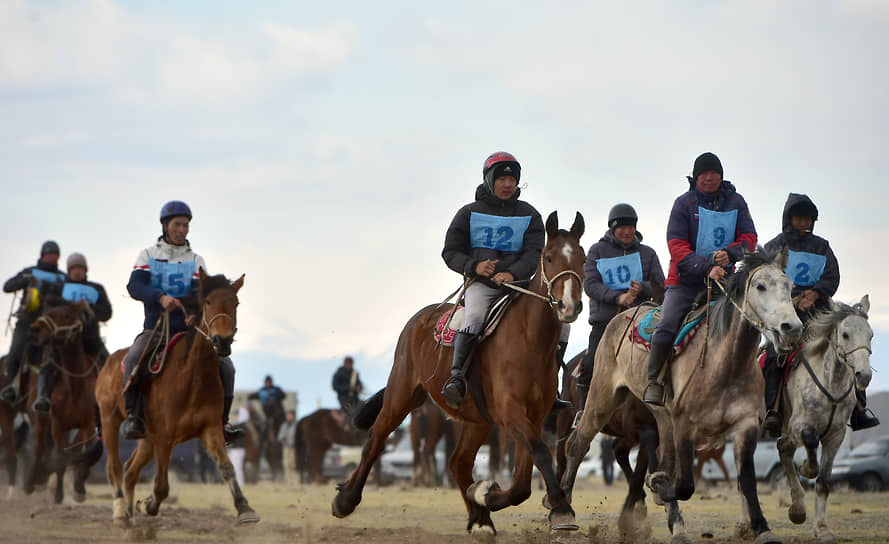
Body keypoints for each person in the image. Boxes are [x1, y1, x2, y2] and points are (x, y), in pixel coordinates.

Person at [120, 201, 243, 445]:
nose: (182, 229)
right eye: (177, 224)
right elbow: (134, 286)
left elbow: (202, 293)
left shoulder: (196, 260)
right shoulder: (148, 255)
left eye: (186, 225)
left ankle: (222, 422)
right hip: (157, 326)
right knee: (133, 358)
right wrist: (160, 297)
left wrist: (190, 310)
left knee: (227, 367)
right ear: (165, 226)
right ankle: (134, 417)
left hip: (190, 327)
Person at [643, 152, 757, 405]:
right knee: (667, 325)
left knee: (749, 320)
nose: (709, 178)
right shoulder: (683, 204)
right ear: (696, 177)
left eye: (713, 173)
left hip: (725, 280)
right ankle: (655, 381)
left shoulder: (736, 203)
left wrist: (731, 253)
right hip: (685, 282)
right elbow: (676, 245)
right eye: (704, 174)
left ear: (721, 176)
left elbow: (749, 237)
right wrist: (705, 268)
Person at [762, 193, 878, 433]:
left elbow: (832, 276)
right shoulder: (775, 246)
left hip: (821, 312)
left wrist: (815, 293)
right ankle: (772, 410)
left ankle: (858, 409)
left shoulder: (822, 246)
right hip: (786, 313)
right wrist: (793, 301)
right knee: (775, 354)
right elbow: (768, 280)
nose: (804, 223)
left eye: (808, 219)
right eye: (799, 218)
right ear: (789, 218)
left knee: (847, 346)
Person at [440, 151, 545, 409]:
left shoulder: (530, 214)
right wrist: (475, 266)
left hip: (520, 288)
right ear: (489, 180)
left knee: (559, 325)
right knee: (474, 316)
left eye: (512, 179)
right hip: (482, 287)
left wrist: (513, 273)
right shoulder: (468, 213)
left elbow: (535, 254)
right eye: (501, 179)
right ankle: (457, 377)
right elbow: (450, 252)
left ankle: (549, 387)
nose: (508, 184)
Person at [575, 203, 665, 422]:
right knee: (588, 365)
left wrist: (642, 288)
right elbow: (590, 284)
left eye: (631, 227)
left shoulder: (648, 253)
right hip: (606, 323)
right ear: (612, 228)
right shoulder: (596, 250)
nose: (627, 231)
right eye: (621, 227)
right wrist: (618, 297)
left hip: (641, 323)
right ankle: (582, 412)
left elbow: (661, 284)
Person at [31, 252, 113, 413]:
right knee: (49, 360)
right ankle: (43, 396)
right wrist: (73, 306)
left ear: (85, 270)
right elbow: (49, 301)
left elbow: (107, 312)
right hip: (63, 337)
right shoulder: (59, 288)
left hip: (89, 336)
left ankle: (110, 394)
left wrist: (90, 309)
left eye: (80, 268)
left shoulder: (96, 288)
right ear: (68, 270)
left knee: (107, 360)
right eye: (74, 268)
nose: (77, 271)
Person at [1, 241, 67, 405]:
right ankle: (11, 386)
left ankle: (47, 393)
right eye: (48, 254)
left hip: (52, 326)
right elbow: (7, 286)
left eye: (54, 254)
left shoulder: (63, 277)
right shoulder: (30, 271)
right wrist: (25, 280)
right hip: (28, 322)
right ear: (43, 256)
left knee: (57, 356)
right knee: (16, 349)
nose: (51, 257)